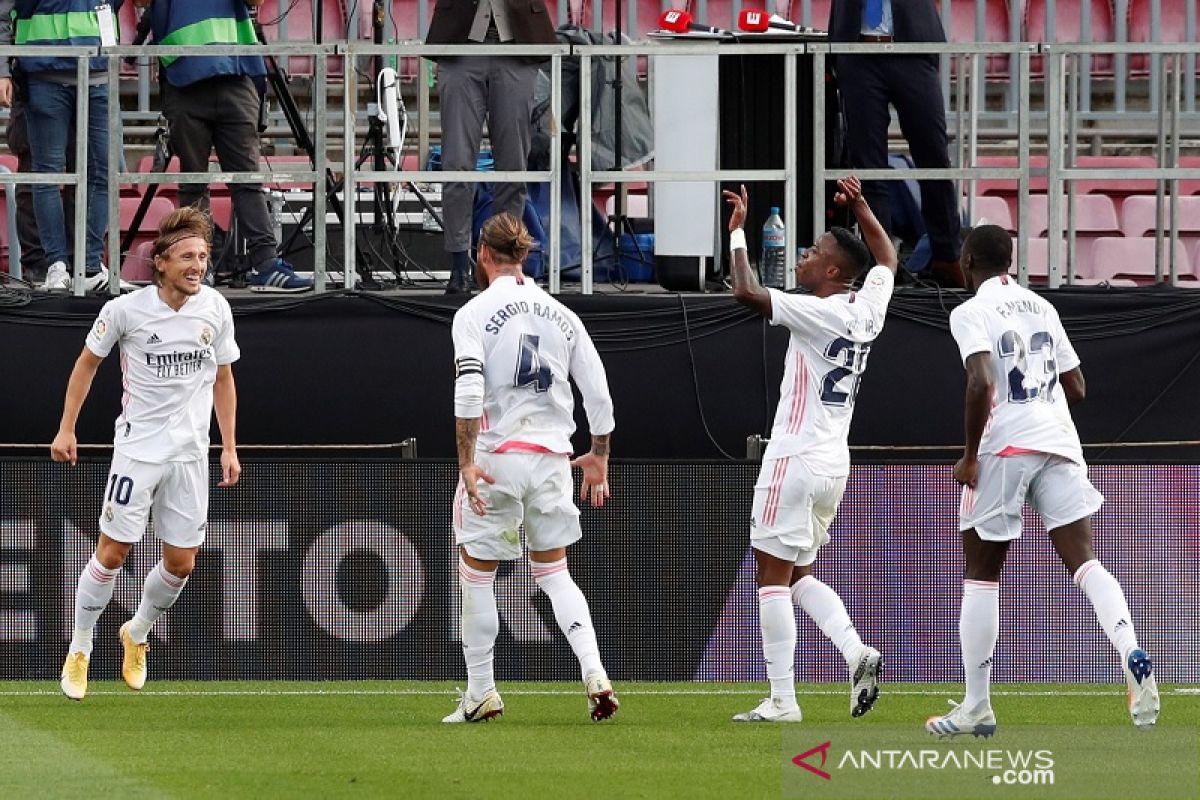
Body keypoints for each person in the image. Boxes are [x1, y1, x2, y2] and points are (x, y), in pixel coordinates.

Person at [926, 225, 1159, 737]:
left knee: (982, 572)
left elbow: (982, 380)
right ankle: (1130, 648)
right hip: (1059, 438)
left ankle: (976, 706)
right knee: (1084, 557)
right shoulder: (1042, 307)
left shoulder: (969, 311)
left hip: (1006, 444)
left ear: (966, 261)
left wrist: (969, 457)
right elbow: (1076, 384)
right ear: (1012, 260)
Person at [722, 176, 896, 723]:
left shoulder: (817, 310)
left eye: (815, 251)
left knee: (770, 579)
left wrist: (737, 236)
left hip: (794, 457)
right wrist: (862, 207)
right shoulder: (867, 306)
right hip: (832, 463)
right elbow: (886, 257)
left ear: (834, 273)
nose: (805, 254)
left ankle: (782, 700)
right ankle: (855, 651)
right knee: (796, 574)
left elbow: (747, 292)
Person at [50, 206, 241, 700]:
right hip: (137, 451)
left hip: (191, 455)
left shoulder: (216, 308)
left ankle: (136, 631)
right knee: (113, 552)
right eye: (186, 257)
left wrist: (229, 445)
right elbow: (86, 365)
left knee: (181, 564)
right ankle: (81, 646)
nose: (196, 265)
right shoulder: (125, 311)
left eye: (201, 256)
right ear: (159, 262)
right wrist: (66, 428)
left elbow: (223, 377)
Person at [445, 211, 617, 723]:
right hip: (552, 460)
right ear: (524, 256)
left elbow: (470, 388)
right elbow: (599, 393)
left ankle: (481, 691)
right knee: (555, 573)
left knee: (477, 574)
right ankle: (594, 672)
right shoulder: (562, 314)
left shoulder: (473, 313)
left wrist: (466, 462)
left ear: (482, 253)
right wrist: (600, 455)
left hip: (498, 456)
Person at [136, 0, 311, 293]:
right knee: (194, 181)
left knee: (246, 180)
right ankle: (197, 268)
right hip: (184, 79)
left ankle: (266, 264)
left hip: (235, 73)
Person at [827, 0, 963, 287]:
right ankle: (881, 263)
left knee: (934, 157)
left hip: (912, 50)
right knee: (869, 167)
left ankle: (947, 257)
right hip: (858, 51)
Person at [425, 0, 556, 294]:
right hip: (461, 46)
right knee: (457, 163)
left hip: (517, 46)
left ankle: (505, 263)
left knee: (513, 166)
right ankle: (459, 264)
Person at [0, 0, 120, 292]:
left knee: (102, 173)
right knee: (48, 175)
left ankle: (90, 266)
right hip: (45, 74)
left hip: (99, 74)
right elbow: (2, 15)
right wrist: (2, 69)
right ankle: (56, 266)